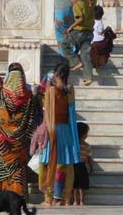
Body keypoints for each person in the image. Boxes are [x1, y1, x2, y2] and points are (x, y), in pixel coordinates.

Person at [0, 62, 39, 201]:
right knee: (16, 170)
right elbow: (33, 119)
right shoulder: (30, 97)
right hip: (18, 142)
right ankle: (17, 198)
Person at [40, 63, 80, 206]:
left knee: (50, 164)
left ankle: (49, 198)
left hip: (53, 130)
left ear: (56, 74)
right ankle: (66, 198)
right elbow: (71, 112)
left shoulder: (50, 91)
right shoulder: (70, 90)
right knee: (68, 165)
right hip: (66, 130)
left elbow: (46, 113)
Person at [62, 0, 95, 85]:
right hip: (89, 32)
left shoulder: (77, 5)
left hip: (79, 32)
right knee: (85, 55)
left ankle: (76, 62)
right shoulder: (88, 5)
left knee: (64, 44)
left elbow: (79, 19)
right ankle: (88, 78)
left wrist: (70, 28)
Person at [72, 122, 94, 206]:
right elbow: (89, 158)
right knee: (82, 185)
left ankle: (74, 200)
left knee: (74, 185)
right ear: (84, 135)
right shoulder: (86, 145)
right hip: (82, 166)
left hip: (73, 165)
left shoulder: (73, 145)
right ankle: (82, 201)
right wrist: (91, 167)